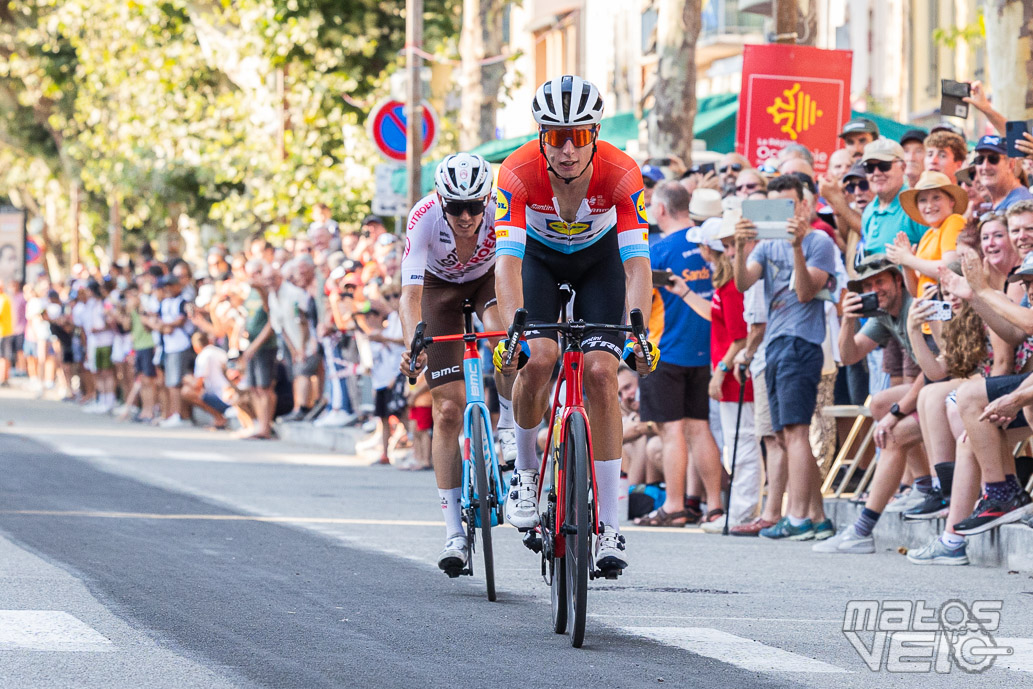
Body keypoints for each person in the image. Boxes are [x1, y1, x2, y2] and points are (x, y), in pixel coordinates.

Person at [493, 75, 656, 573]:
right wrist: (511, 332)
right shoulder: (517, 172)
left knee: (603, 373)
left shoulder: (623, 173)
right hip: (538, 262)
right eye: (555, 135)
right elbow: (507, 265)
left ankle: (610, 526)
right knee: (538, 358)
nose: (567, 149)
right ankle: (524, 474)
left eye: (580, 136)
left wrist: (639, 335)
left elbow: (636, 265)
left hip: (599, 264)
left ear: (596, 134)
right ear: (540, 136)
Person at [397, 152, 517, 573]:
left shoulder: (501, 207)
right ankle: (453, 534)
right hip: (439, 290)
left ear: (487, 197)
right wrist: (415, 342)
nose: (466, 216)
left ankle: (507, 428)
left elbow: (516, 268)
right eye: (455, 207)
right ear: (439, 199)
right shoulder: (423, 217)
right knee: (447, 409)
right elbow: (410, 295)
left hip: (488, 281)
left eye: (474, 206)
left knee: (508, 340)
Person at [732, 174, 835, 540]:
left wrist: (796, 246)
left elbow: (807, 293)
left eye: (790, 204)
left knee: (795, 432)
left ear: (805, 205)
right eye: (775, 205)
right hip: (775, 344)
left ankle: (798, 516)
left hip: (802, 342)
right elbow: (744, 283)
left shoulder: (820, 241)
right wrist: (742, 244)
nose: (783, 213)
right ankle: (818, 516)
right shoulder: (764, 246)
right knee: (786, 432)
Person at [817, 254, 931, 554]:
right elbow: (850, 356)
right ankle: (925, 487)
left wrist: (898, 412)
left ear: (897, 279)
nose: (873, 288)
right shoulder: (882, 314)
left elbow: (937, 371)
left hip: (949, 386)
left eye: (879, 280)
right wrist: (848, 321)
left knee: (892, 430)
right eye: (867, 284)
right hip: (937, 386)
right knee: (879, 402)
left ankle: (863, 529)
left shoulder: (914, 303)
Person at [634, 181, 724, 528]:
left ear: (660, 210)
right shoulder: (709, 242)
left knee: (671, 431)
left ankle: (674, 505)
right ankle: (713, 504)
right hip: (707, 351)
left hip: (666, 349)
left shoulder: (658, 249)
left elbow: (637, 297)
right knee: (699, 428)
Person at [886, 171, 967, 298]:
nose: (929, 205)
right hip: (929, 313)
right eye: (923, 200)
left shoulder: (954, 221)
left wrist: (909, 259)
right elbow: (916, 292)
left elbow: (950, 270)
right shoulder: (927, 235)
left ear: (951, 201)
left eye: (936, 197)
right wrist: (906, 265)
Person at [973, 135, 1033, 211]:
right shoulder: (998, 202)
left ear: (1011, 164)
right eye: (980, 159)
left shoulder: (1021, 205)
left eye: (993, 159)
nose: (985, 167)